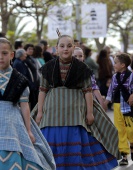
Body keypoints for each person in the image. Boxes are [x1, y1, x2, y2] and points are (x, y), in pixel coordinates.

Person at [34, 35, 121, 169]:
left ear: (73, 48)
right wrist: (39, 112)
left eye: (69, 46)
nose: (65, 49)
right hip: (51, 112)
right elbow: (42, 90)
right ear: (56, 49)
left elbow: (87, 91)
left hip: (77, 113)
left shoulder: (82, 68)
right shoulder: (47, 68)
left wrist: (90, 113)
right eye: (62, 46)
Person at [0, 37, 55, 169]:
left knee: (15, 154)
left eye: (4, 53)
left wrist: (29, 131)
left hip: (14, 124)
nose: (0, 57)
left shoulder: (19, 79)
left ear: (12, 55)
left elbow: (24, 106)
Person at [104, 53, 133, 166]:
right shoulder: (114, 77)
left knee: (129, 130)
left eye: (115, 63)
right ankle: (124, 155)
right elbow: (110, 91)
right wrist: (105, 103)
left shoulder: (132, 76)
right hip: (117, 106)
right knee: (120, 131)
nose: (114, 65)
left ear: (123, 65)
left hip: (128, 107)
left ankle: (132, 145)